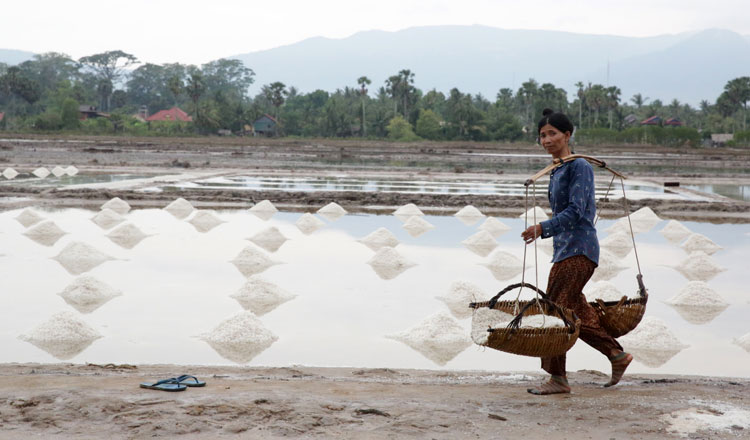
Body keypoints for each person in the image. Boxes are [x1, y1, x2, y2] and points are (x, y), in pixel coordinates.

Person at [520, 108, 632, 395]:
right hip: (564, 250)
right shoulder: (557, 170)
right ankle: (617, 356)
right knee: (575, 312)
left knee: (556, 313)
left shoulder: (578, 166)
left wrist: (542, 228)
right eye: (542, 135)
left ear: (567, 135)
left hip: (579, 251)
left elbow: (576, 211)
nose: (546, 140)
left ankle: (558, 378)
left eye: (552, 134)